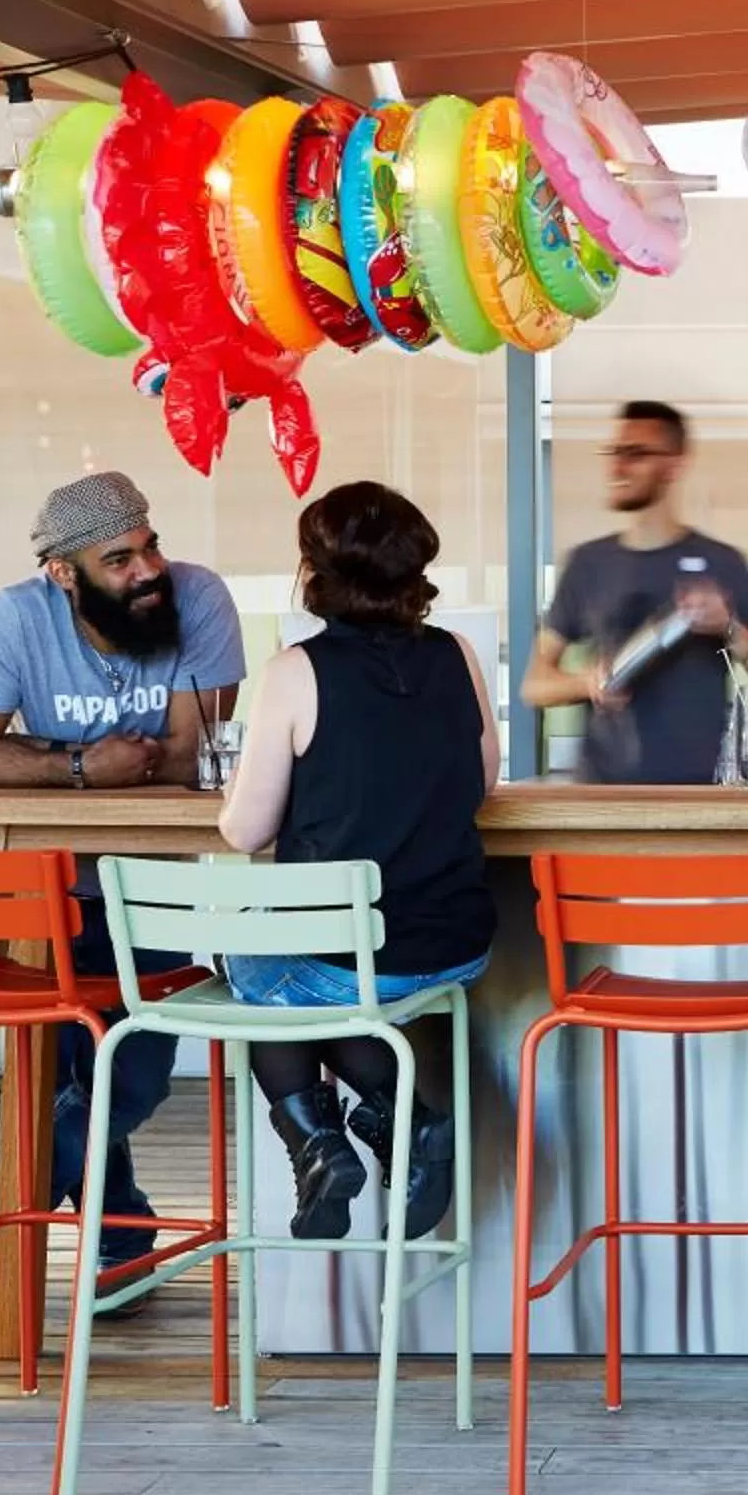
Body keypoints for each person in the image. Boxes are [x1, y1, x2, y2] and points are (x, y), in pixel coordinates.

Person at [0, 471, 245, 1312]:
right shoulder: (10, 620)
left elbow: (188, 759)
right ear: (62, 573)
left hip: (152, 881)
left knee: (133, 1071)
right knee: (66, 1074)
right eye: (120, 559)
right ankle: (122, 1236)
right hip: (40, 886)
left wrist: (42, 761)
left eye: (150, 546)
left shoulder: (199, 600)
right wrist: (83, 766)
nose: (149, 570)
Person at [217, 481, 499, 1242]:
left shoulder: (294, 671)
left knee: (260, 969)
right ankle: (390, 1124)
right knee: (312, 983)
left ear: (314, 572)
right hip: (455, 944)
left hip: (348, 956)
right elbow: (482, 784)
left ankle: (332, 1140)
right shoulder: (458, 656)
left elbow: (245, 831)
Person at [522, 400, 748, 784]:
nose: (618, 467)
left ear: (674, 464)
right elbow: (534, 684)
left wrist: (728, 627)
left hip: (698, 794)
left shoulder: (722, 563)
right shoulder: (588, 563)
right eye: (615, 452)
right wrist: (585, 682)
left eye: (636, 454)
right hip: (602, 794)